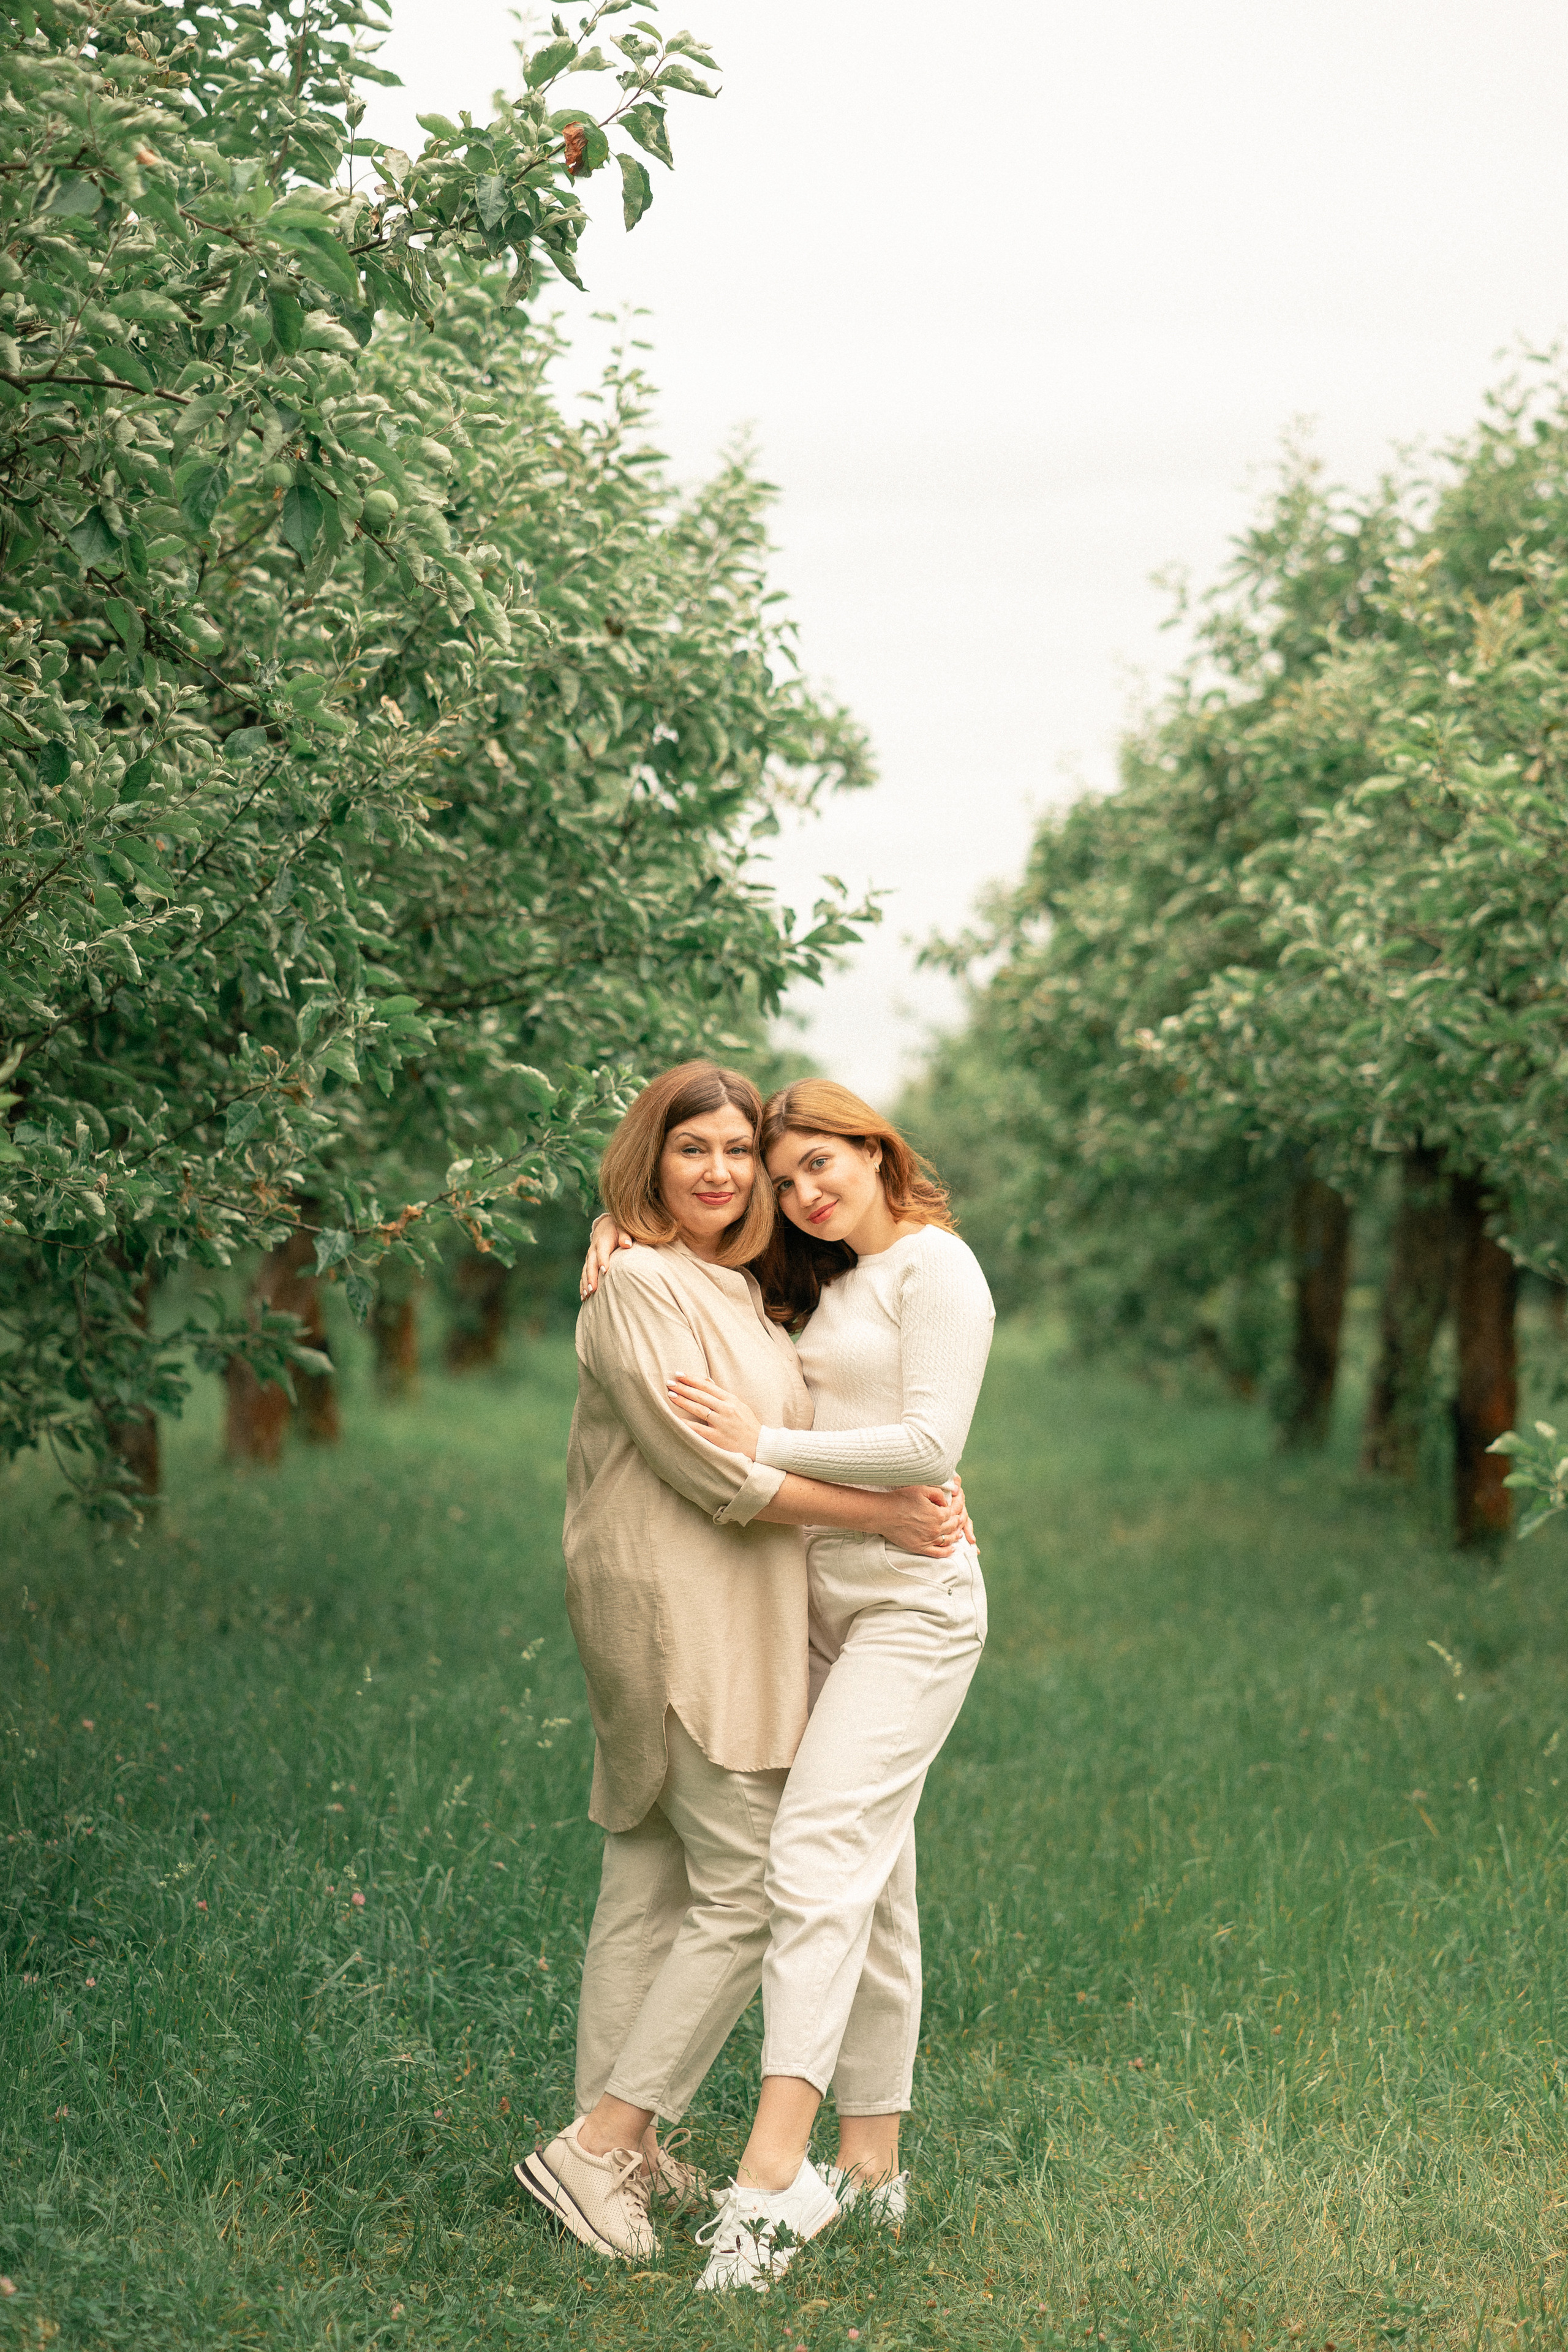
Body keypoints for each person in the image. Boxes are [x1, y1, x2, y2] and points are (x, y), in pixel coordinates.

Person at [517, 1063, 971, 2266]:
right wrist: (879, 1519)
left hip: (746, 1602)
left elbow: (879, 1398)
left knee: (651, 1878)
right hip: (679, 1606)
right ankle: (602, 2146)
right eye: (693, 1153)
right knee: (748, 1885)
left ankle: (625, 2146)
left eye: (743, 1157)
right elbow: (713, 1471)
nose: (722, 1175)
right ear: (646, 1162)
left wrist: (623, 1231)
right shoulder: (642, 1291)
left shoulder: (743, 1282)